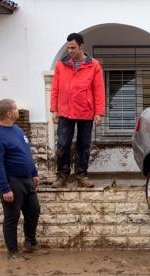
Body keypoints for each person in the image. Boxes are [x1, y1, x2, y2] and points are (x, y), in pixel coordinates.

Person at [50, 32, 105, 188]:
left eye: (73, 47)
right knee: (62, 144)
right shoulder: (61, 65)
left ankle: (81, 175)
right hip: (65, 111)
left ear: (81, 46)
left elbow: (99, 90)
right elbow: (55, 88)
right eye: (68, 48)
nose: (70, 51)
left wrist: (99, 112)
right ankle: (61, 176)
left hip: (86, 111)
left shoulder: (94, 65)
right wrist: (54, 109)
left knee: (84, 144)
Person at [0, 99, 41, 260]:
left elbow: (26, 153)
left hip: (26, 179)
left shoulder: (17, 129)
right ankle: (13, 252)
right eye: (16, 108)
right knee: (12, 216)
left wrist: (34, 172)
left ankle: (30, 244)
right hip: (11, 181)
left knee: (33, 210)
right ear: (9, 113)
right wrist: (5, 189)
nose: (18, 111)